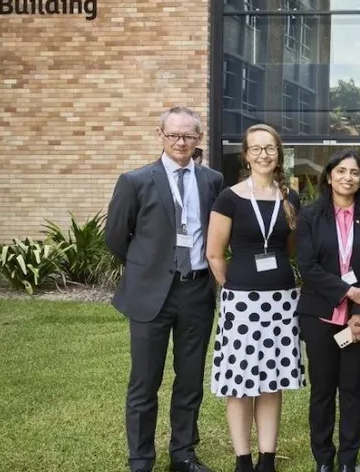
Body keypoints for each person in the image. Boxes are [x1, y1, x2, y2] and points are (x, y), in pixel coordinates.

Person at [105, 106, 225, 472]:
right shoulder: (136, 181)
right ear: (160, 134)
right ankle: (141, 460)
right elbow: (115, 238)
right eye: (173, 135)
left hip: (197, 292)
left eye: (188, 135)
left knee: (189, 380)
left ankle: (183, 454)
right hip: (151, 293)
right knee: (145, 382)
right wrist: (149, 267)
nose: (180, 142)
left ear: (198, 139)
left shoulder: (212, 180)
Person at [205, 124, 304, 472]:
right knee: (240, 382)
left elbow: (290, 249)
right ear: (246, 155)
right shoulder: (229, 197)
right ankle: (243, 460)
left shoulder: (290, 197)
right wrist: (233, 291)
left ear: (279, 153)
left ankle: (267, 459)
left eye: (270, 148)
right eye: (256, 148)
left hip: (281, 303)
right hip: (242, 303)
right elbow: (215, 253)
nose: (264, 154)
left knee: (271, 381)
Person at [295, 150, 360, 472]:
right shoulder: (310, 215)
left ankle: (347, 459)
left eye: (355, 173)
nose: (348, 177)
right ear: (329, 175)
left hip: (359, 319)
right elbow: (307, 266)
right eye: (341, 171)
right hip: (319, 315)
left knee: (351, 388)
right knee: (322, 390)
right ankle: (324, 459)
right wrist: (349, 291)